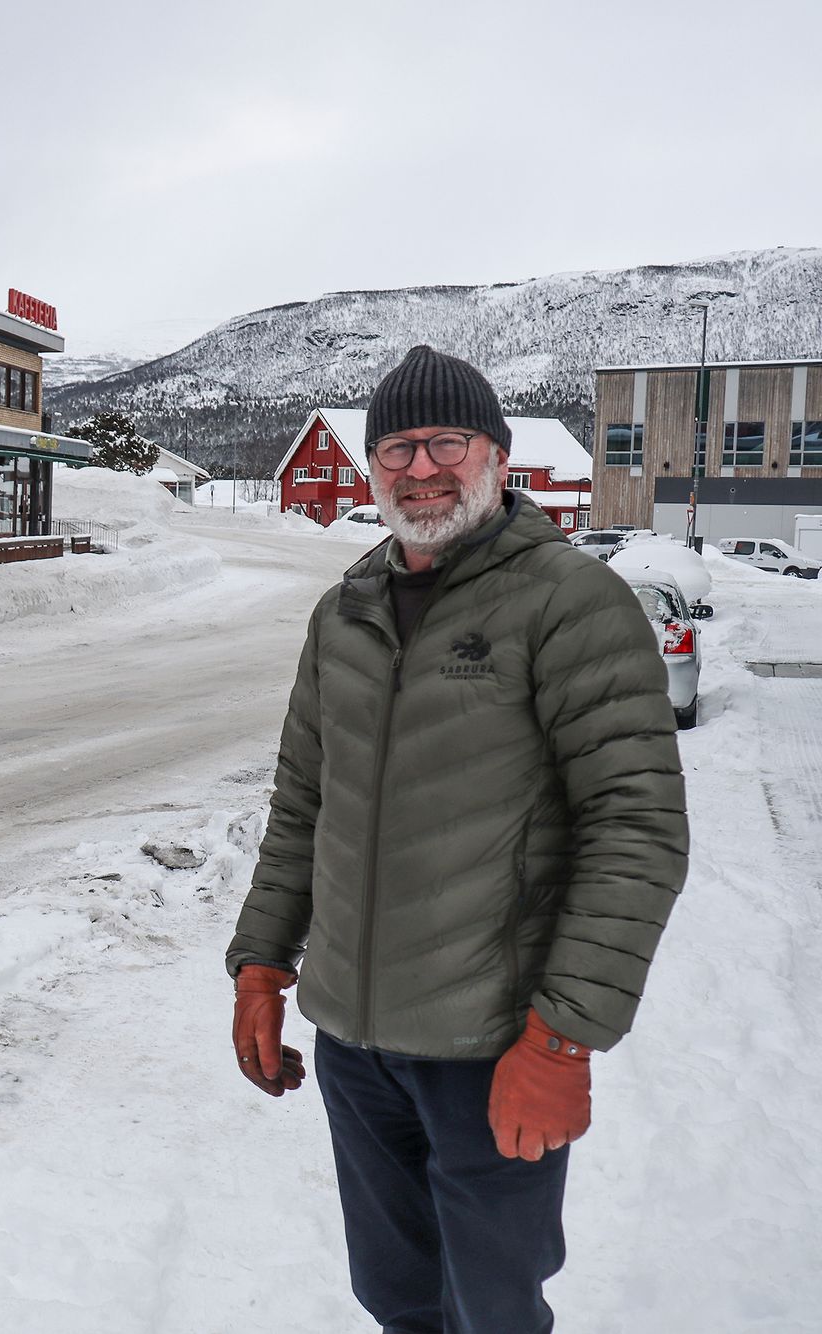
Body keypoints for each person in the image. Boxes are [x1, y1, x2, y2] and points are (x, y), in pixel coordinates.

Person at [226, 345, 688, 1332]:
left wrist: (562, 1033)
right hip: (352, 1045)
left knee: (491, 1304)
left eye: (445, 441)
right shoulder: (342, 611)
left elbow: (634, 825)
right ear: (370, 463)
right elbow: (303, 799)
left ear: (495, 453)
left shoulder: (567, 602)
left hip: (490, 1043)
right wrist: (261, 962)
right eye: (396, 445)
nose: (419, 467)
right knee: (395, 1296)